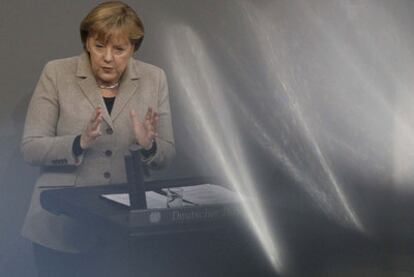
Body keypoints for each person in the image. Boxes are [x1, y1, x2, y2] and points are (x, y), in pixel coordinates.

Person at [20, 1, 175, 276]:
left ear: (133, 49)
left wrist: (149, 145)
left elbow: (167, 155)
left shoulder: (155, 78)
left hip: (127, 229)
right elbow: (31, 148)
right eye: (100, 45)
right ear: (87, 42)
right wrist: (78, 142)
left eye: (119, 49)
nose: (108, 57)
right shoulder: (56, 73)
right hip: (61, 224)